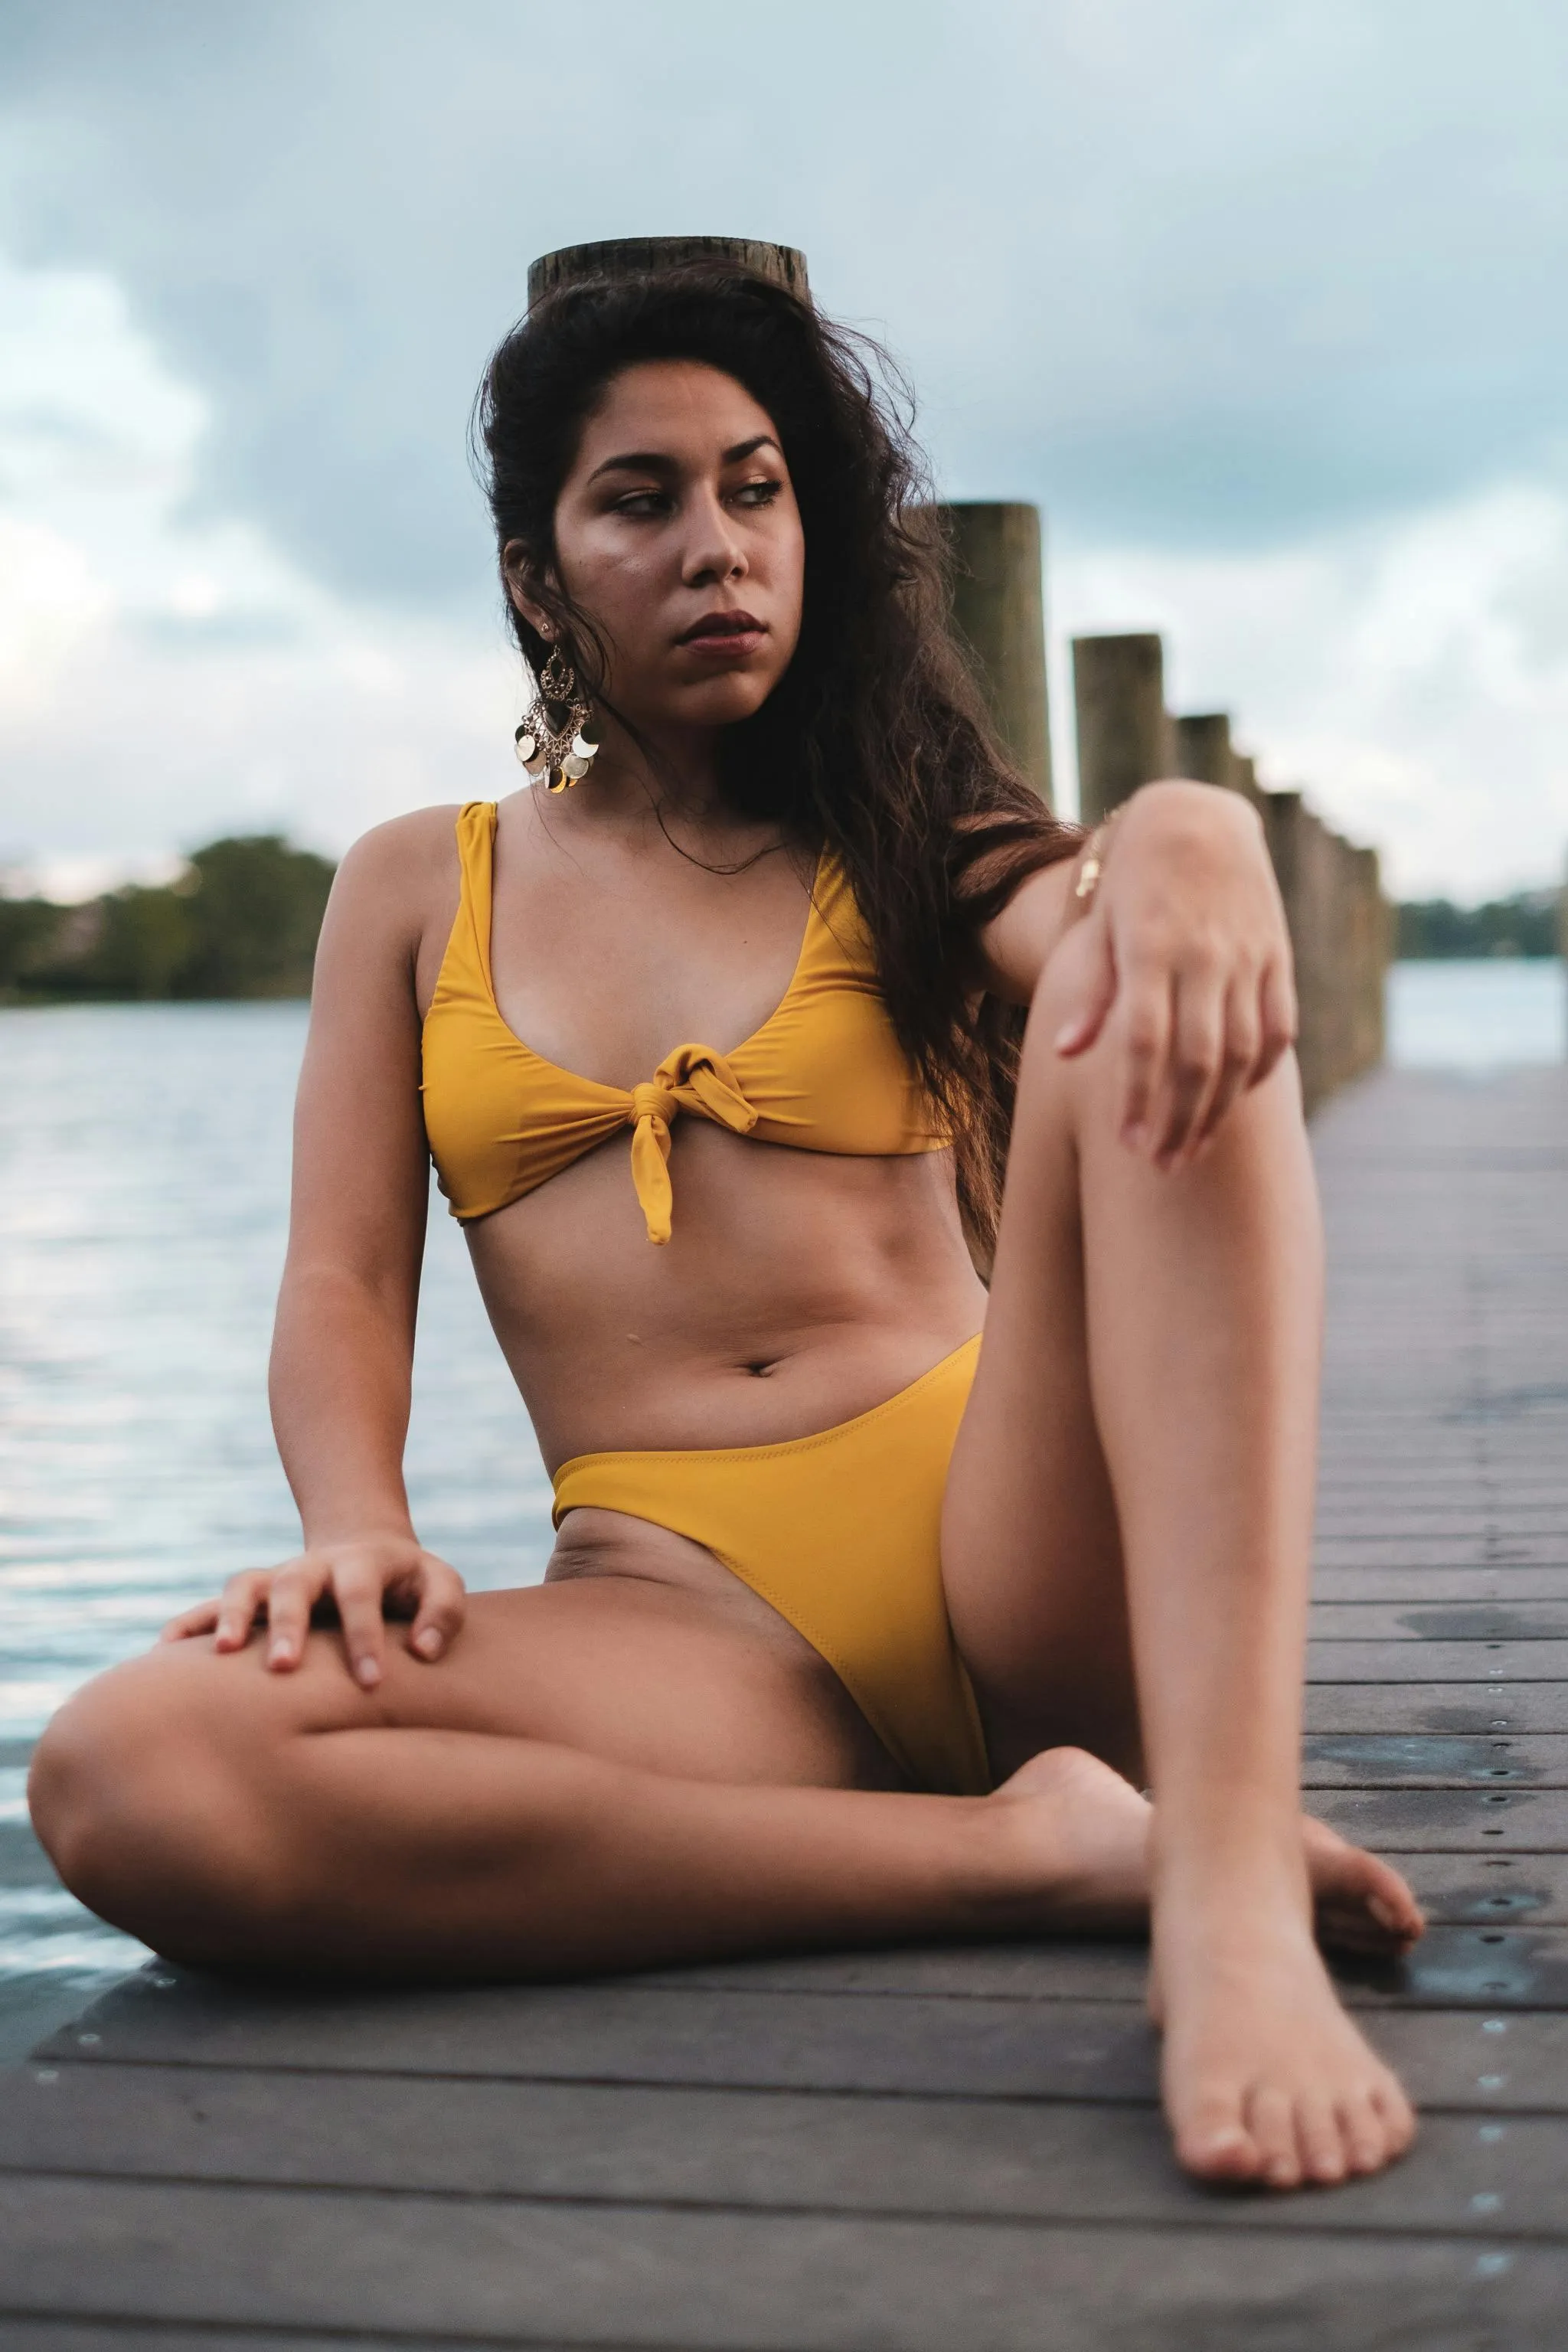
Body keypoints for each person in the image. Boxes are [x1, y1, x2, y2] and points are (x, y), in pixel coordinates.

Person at [29, 260, 1423, 2192]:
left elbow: (1108, 954)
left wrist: (1183, 833)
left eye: (757, 491)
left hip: (1004, 1537)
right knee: (129, 1777)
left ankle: (1228, 1892)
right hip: (683, 1617)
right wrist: (357, 1527)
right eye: (643, 500)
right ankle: (1029, 1854)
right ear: (537, 578)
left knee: (1165, 998)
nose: (718, 547)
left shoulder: (907, 822)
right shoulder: (416, 886)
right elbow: (343, 1275)